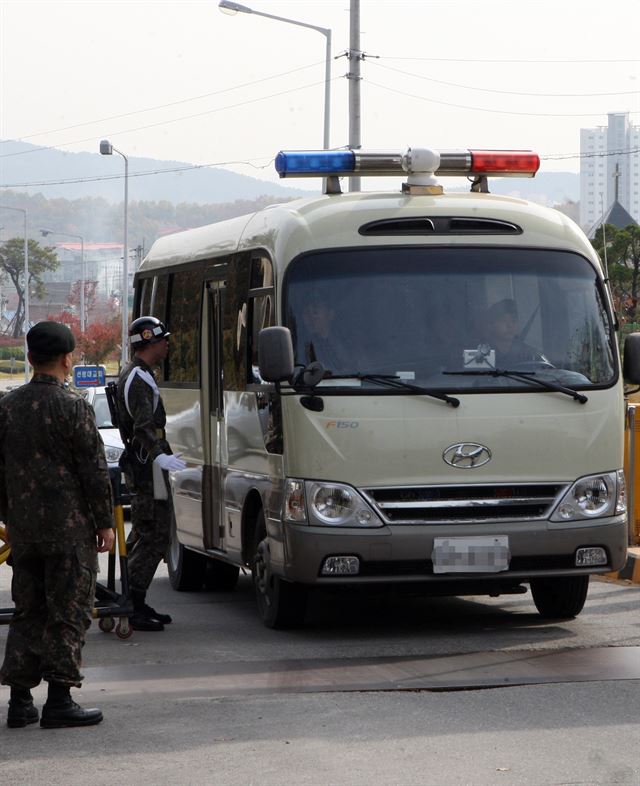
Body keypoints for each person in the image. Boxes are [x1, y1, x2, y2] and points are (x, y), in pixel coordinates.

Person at [0, 321, 115, 729]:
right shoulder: (74, 407)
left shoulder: (7, 407)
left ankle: (19, 702)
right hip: (70, 532)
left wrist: (8, 517)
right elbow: (94, 471)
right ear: (68, 360)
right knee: (68, 611)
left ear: (30, 358)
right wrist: (105, 522)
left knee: (28, 611)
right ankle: (60, 699)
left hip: (25, 531)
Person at [116, 316, 185, 632]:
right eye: (164, 339)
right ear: (150, 342)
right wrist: (160, 457)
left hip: (149, 464)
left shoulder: (139, 374)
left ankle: (134, 600)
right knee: (155, 532)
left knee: (147, 531)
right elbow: (143, 427)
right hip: (148, 469)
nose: (168, 344)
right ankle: (133, 603)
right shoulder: (138, 378)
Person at [484, 298, 548, 368]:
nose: (510, 325)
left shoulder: (530, 354)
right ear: (490, 325)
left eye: (513, 320)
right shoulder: (480, 353)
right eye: (504, 320)